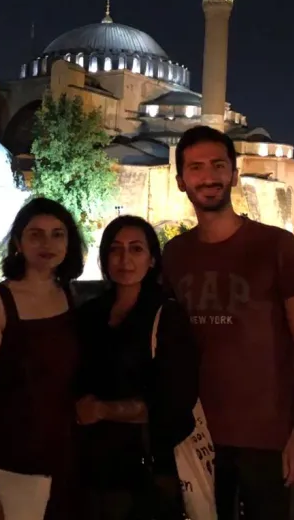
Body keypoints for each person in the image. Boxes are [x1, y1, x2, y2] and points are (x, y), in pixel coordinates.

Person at [160, 126, 294, 520]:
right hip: (195, 435)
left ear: (234, 173)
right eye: (195, 167)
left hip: (264, 438)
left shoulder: (277, 247)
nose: (208, 176)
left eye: (218, 165)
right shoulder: (174, 254)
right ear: (181, 181)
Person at [0, 197, 85, 520]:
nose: (47, 243)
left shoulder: (69, 296)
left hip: (61, 462)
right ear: (18, 242)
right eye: (35, 234)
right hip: (8, 465)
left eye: (58, 234)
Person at [75, 215, 199, 520]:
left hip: (145, 469)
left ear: (152, 259)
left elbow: (174, 401)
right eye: (115, 249)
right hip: (90, 465)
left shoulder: (167, 316)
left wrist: (104, 410)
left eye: (136, 249)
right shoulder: (89, 313)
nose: (125, 259)